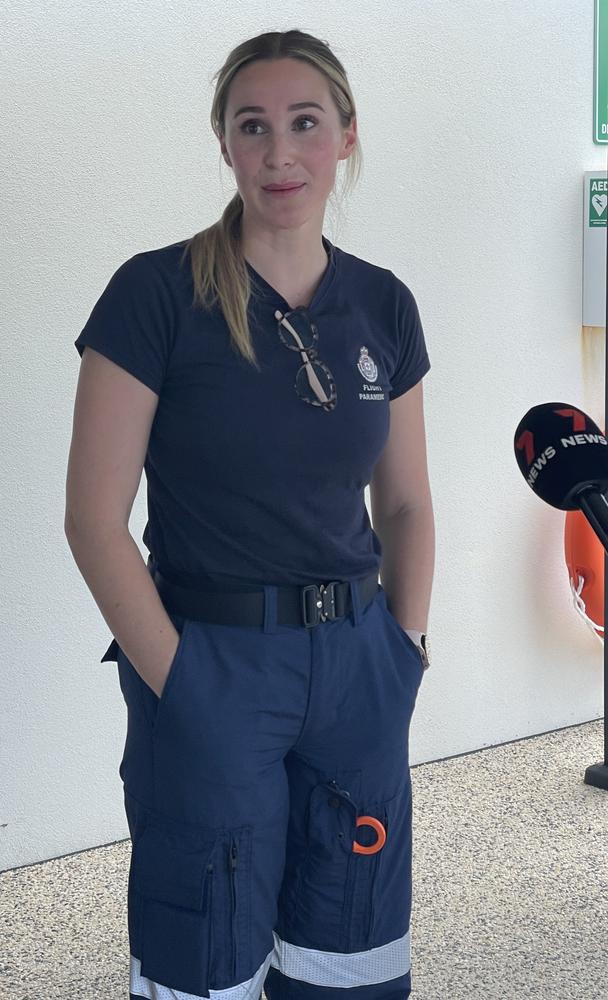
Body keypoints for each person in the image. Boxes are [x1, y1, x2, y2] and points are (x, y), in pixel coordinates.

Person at [65, 27, 435, 1000]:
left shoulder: (381, 306)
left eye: (304, 123)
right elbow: (93, 520)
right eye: (253, 125)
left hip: (357, 662)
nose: (279, 152)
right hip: (212, 659)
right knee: (208, 958)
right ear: (223, 143)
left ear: (345, 136)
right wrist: (181, 684)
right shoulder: (156, 296)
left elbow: (403, 502)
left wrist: (403, 649)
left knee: (349, 951)